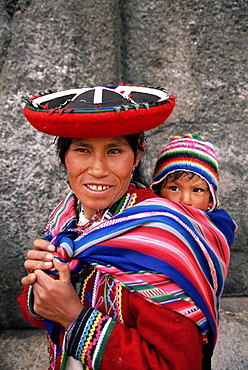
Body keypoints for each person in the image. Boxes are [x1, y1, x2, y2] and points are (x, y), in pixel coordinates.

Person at [18, 85, 236, 370]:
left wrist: (74, 317)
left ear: (136, 155)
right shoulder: (67, 215)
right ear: (64, 157)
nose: (97, 169)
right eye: (82, 149)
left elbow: (179, 363)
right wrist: (41, 287)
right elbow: (37, 310)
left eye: (114, 150)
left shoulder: (161, 233)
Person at [151, 133, 220, 212]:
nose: (185, 201)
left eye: (197, 190)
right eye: (174, 189)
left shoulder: (221, 223)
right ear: (157, 190)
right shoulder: (148, 220)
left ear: (211, 196)